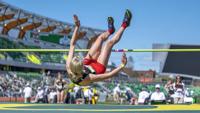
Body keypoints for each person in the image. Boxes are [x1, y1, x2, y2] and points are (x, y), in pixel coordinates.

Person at [66, 9, 132, 86]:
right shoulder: (88, 78)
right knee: (108, 44)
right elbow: (109, 75)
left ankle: (110, 30)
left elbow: (72, 44)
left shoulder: (69, 66)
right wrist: (122, 65)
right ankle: (125, 24)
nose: (81, 59)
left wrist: (77, 26)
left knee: (100, 38)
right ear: (81, 69)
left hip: (88, 63)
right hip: (98, 68)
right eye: (81, 63)